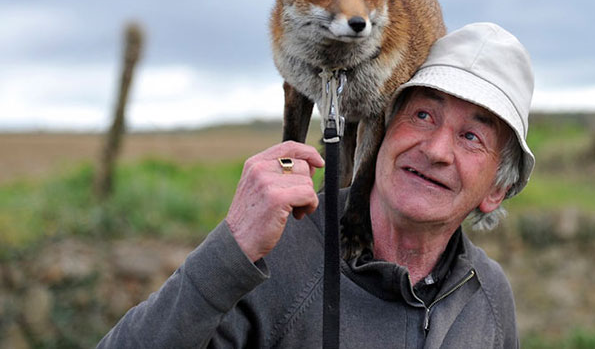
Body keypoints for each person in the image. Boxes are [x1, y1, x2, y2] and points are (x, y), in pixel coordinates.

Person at [98, 22, 536, 348]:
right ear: (380, 130)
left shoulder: (486, 292)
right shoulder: (277, 257)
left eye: (471, 137)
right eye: (423, 115)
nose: (437, 149)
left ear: (496, 189)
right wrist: (231, 249)